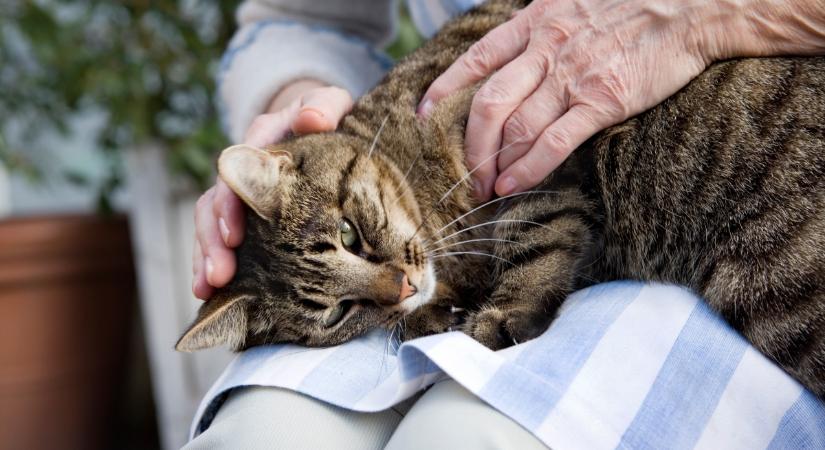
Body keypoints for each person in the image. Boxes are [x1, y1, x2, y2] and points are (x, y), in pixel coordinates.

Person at [187, 1, 825, 448]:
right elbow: (297, 20)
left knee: (462, 439)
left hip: (746, 136)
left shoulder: (430, 136)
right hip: (562, 237)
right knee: (259, 436)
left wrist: (711, 13)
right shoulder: (386, 217)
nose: (393, 289)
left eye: (352, 243)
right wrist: (297, 112)